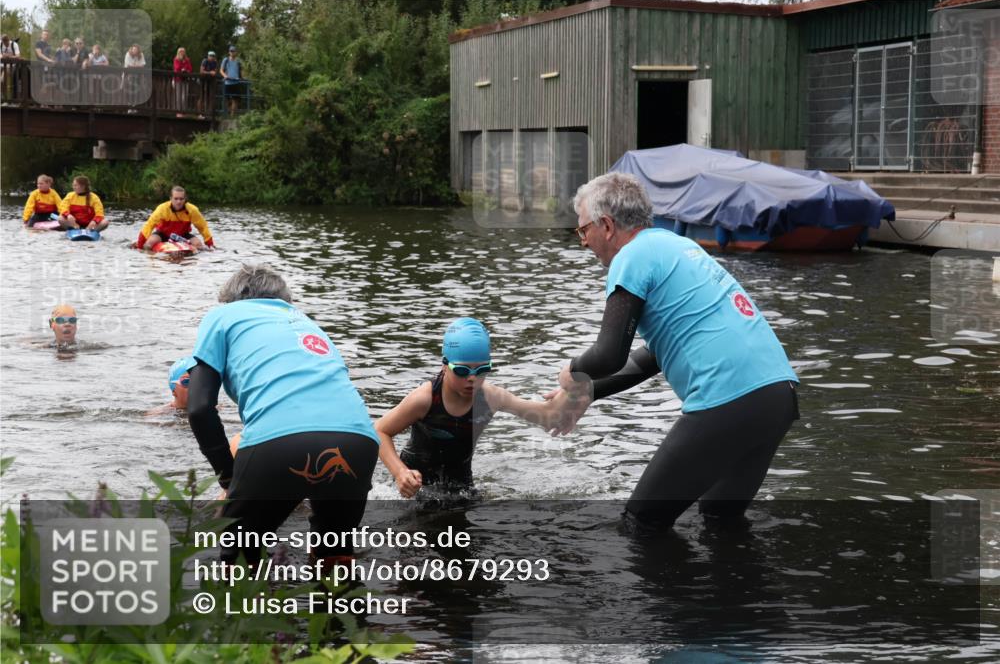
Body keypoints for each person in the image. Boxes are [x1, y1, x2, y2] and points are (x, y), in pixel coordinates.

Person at [547, 172, 800, 531]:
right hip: (777, 397)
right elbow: (650, 357)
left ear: (606, 225)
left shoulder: (631, 256)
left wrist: (571, 373)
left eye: (583, 230)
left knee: (641, 523)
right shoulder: (676, 246)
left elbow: (609, 355)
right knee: (720, 521)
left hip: (728, 398)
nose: (584, 242)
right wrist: (589, 392)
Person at [186, 264, 380, 567]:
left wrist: (228, 476)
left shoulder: (221, 316)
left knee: (239, 561)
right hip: (359, 440)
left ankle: (246, 612)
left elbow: (198, 407)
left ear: (230, 300)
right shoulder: (304, 321)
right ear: (283, 300)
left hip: (280, 441)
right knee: (335, 559)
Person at [376, 317, 566, 498]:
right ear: (444, 366)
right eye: (462, 370)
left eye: (482, 370)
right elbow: (379, 430)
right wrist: (401, 472)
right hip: (415, 488)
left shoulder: (491, 398)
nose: (472, 379)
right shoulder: (425, 398)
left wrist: (572, 389)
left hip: (462, 490)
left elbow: (548, 415)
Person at [134, 186, 215, 251]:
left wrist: (209, 243)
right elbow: (149, 225)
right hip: (163, 234)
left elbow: (203, 227)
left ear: (185, 199)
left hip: (183, 235)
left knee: (199, 245)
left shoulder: (192, 210)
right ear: (171, 198)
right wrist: (140, 245)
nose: (178, 202)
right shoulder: (162, 209)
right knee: (148, 244)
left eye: (181, 199)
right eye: (176, 199)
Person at [122, 43, 145, 112]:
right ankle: (129, 107)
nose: (135, 51)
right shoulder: (128, 54)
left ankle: (134, 107)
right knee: (129, 90)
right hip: (128, 75)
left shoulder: (141, 55)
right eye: (134, 49)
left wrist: (135, 66)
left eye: (136, 50)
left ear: (138, 51)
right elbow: (129, 66)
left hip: (137, 76)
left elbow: (142, 66)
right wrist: (137, 66)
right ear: (131, 49)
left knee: (137, 91)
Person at [219, 45, 242, 117]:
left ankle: (232, 115)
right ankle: (226, 114)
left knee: (235, 99)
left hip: (236, 82)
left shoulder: (238, 61)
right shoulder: (226, 60)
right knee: (227, 99)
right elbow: (221, 70)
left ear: (236, 52)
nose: (232, 52)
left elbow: (240, 70)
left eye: (233, 51)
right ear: (229, 52)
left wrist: (241, 77)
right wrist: (225, 76)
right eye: (231, 51)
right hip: (228, 82)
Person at [173, 47, 192, 117]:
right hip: (178, 79)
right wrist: (182, 63)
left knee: (185, 96)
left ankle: (183, 111)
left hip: (185, 79)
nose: (182, 53)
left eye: (183, 51)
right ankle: (178, 111)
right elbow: (177, 68)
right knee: (178, 96)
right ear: (178, 52)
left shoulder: (187, 60)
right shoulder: (176, 59)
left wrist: (185, 70)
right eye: (180, 51)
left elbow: (190, 69)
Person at [197, 50, 217, 116]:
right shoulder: (205, 61)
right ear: (208, 56)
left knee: (209, 97)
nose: (212, 57)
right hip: (202, 80)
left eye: (213, 56)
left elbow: (215, 71)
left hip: (209, 81)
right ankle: (200, 113)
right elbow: (201, 71)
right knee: (202, 96)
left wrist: (213, 72)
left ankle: (207, 112)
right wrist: (210, 73)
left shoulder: (214, 62)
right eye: (210, 56)